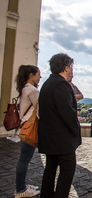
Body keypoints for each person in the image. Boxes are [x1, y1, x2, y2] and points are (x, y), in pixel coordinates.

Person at [38, 53, 81, 197]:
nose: (72, 70)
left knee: (50, 168)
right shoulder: (60, 84)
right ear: (66, 67)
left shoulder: (48, 83)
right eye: (71, 67)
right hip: (61, 139)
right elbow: (67, 112)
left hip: (50, 137)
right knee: (68, 169)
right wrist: (76, 128)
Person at [14, 65, 41, 198]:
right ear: (31, 75)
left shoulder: (25, 88)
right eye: (38, 74)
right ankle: (20, 189)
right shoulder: (32, 90)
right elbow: (40, 111)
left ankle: (22, 186)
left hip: (23, 125)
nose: (40, 77)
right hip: (29, 126)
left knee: (24, 158)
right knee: (24, 159)